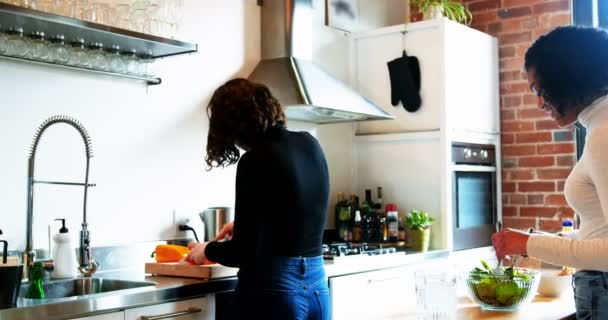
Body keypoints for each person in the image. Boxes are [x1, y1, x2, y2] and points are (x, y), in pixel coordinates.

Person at [185, 78, 331, 320]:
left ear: (232, 125)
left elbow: (242, 252)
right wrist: (248, 226)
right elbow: (301, 216)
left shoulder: (254, 160)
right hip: (317, 288)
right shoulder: (310, 144)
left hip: (274, 291)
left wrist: (206, 250)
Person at [492, 26, 608, 319]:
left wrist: (528, 244)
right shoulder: (599, 126)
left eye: (540, 90)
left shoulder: (603, 134)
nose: (540, 103)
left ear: (569, 76)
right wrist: (536, 239)